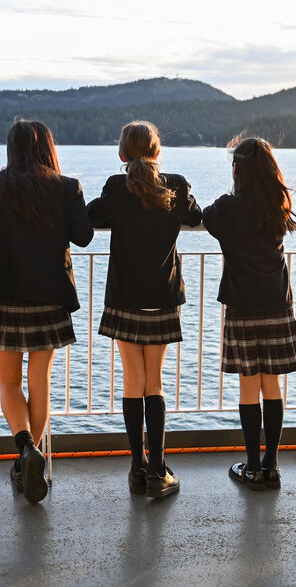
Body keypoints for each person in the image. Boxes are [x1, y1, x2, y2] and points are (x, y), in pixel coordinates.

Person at [0, 120, 93, 504]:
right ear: (48, 148)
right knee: (39, 378)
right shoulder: (67, 187)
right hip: (51, 295)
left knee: (8, 382)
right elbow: (84, 235)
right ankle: (30, 456)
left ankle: (25, 451)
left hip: (7, 293)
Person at [86, 121, 201, 498]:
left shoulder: (117, 187)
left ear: (121, 154)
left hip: (124, 298)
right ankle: (158, 469)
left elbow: (91, 218)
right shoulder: (177, 184)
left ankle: (136, 468)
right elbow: (196, 216)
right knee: (155, 382)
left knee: (133, 380)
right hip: (162, 297)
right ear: (157, 151)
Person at [203, 136, 296, 491]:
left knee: (249, 384)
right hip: (277, 302)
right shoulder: (277, 203)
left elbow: (208, 216)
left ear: (238, 169)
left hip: (243, 304)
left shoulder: (228, 209)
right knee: (271, 383)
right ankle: (272, 465)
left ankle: (251, 466)